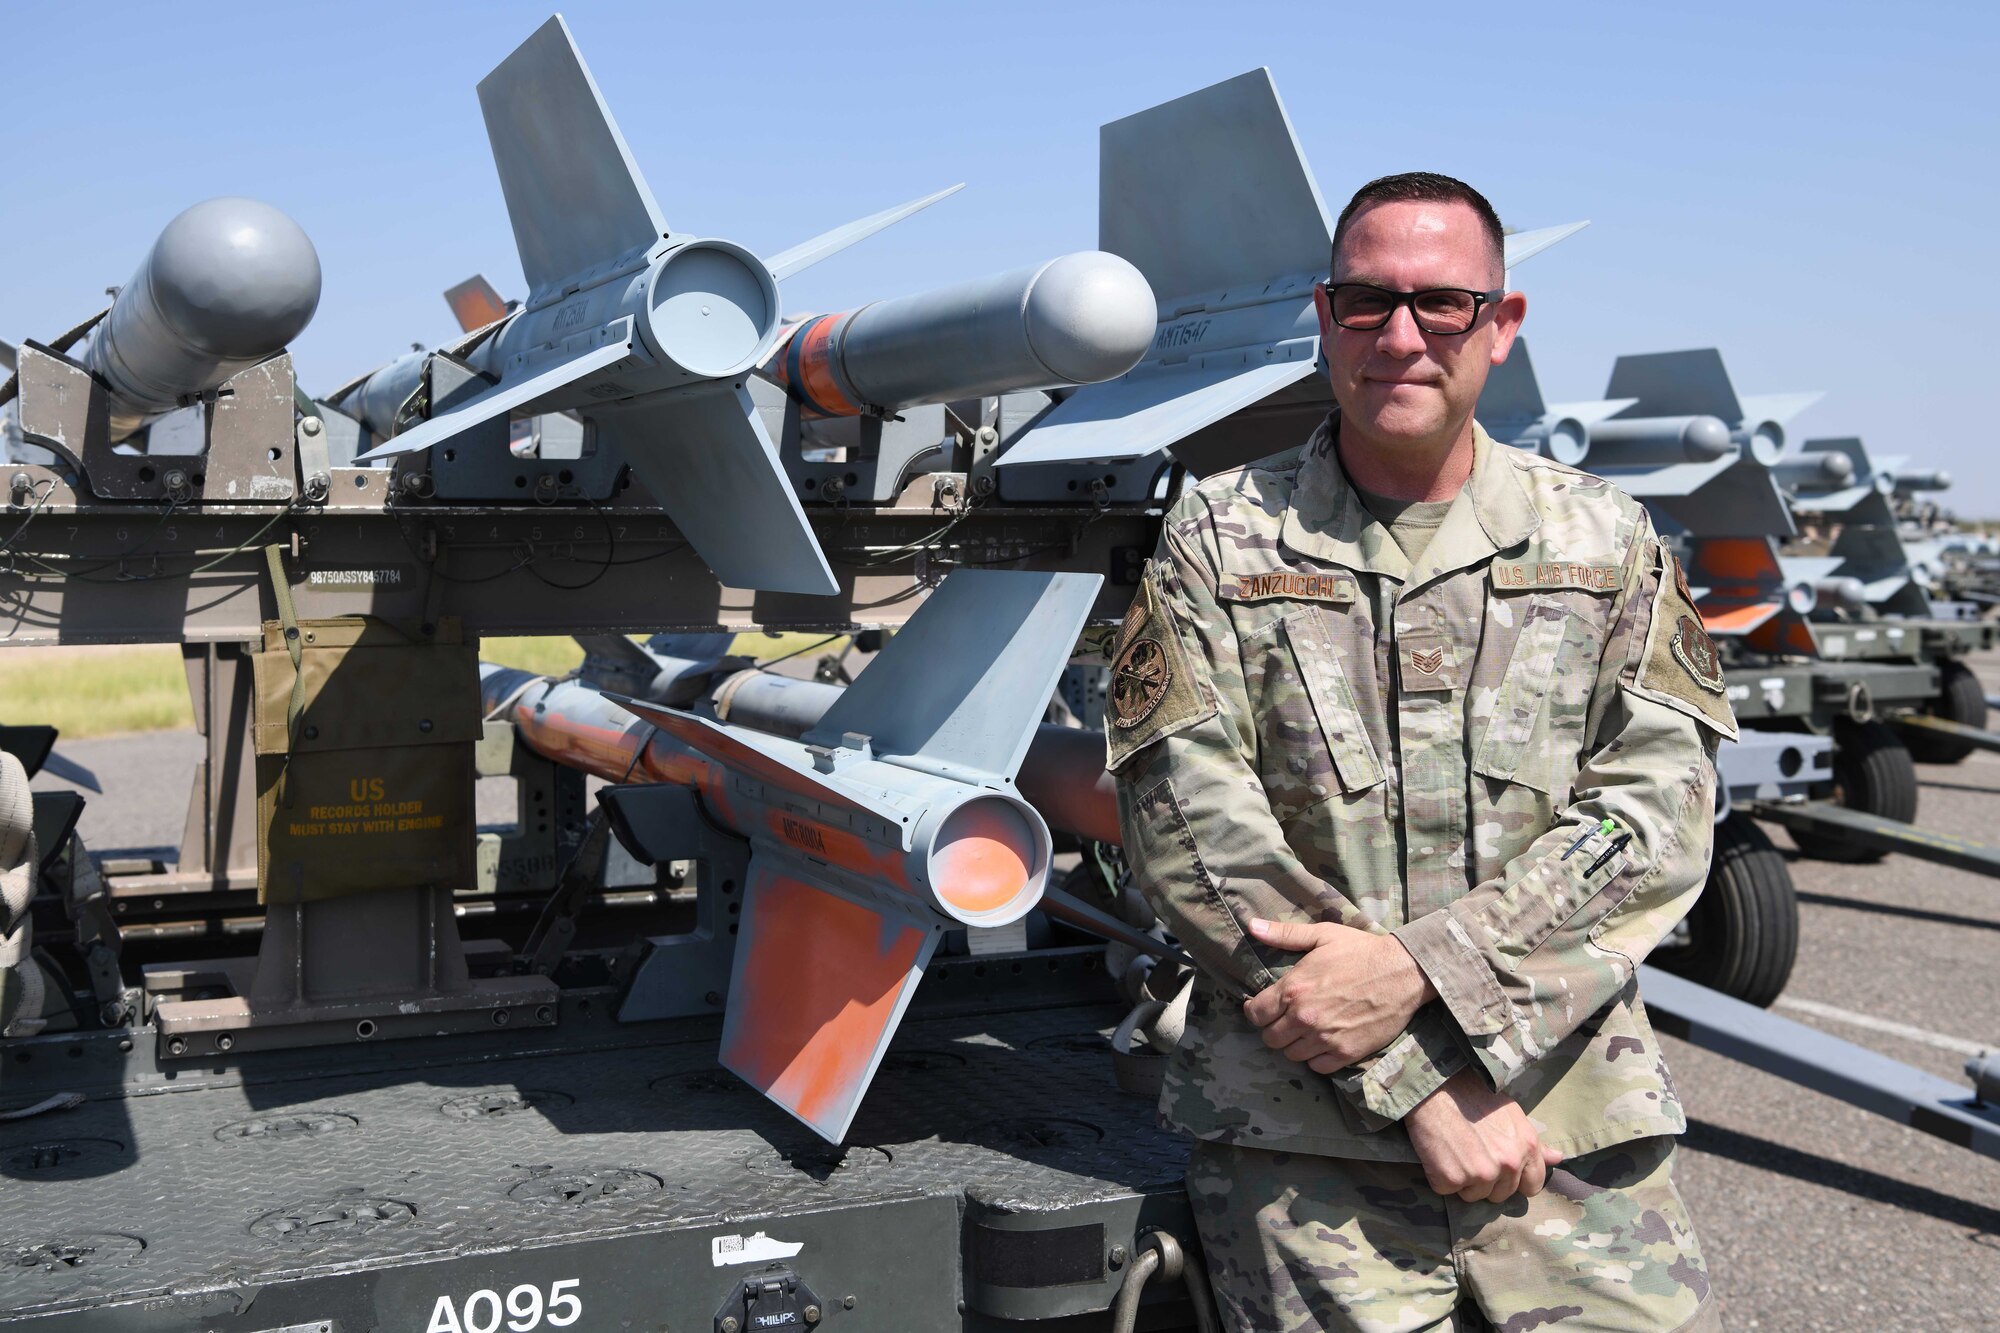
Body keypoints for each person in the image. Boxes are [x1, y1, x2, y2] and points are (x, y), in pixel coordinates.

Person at [1107, 172, 1735, 1332]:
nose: (1400, 336)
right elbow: (1192, 840)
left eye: (1442, 304)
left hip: (1567, 1116)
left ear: (1501, 325)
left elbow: (1651, 820)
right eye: (1365, 301)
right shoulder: (1215, 538)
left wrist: (1419, 969)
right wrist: (1422, 1087)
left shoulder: (1602, 539)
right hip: (1306, 1145)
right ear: (1322, 316)